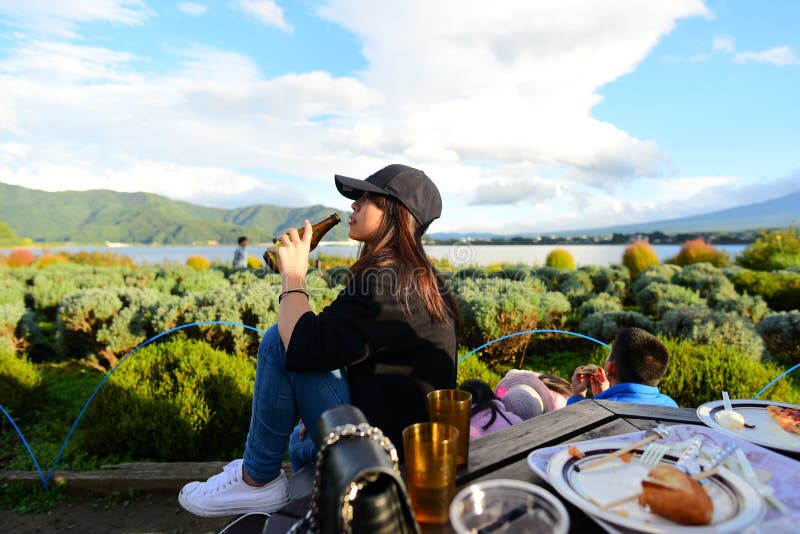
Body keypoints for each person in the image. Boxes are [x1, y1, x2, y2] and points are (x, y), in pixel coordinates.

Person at [178, 164, 459, 517]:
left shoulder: (385, 282)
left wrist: (294, 275)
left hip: (384, 458)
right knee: (303, 443)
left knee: (277, 343)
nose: (354, 205)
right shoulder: (416, 277)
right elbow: (336, 346)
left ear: (395, 212)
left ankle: (258, 480)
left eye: (366, 197)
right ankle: (279, 484)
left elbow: (300, 344)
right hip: (404, 441)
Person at [567, 327, 677, 407]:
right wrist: (604, 394)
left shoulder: (592, 409)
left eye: (609, 353)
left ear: (611, 368)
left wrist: (578, 396)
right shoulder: (670, 404)